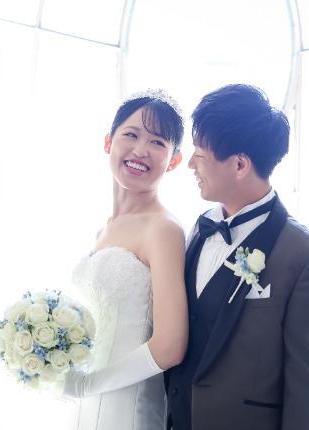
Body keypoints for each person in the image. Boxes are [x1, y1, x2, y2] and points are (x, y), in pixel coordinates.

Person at [165, 84, 309, 430]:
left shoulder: (308, 258)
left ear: (240, 164)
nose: (191, 165)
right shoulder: (199, 228)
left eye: (200, 154)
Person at [62, 89, 189, 430]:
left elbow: (171, 345)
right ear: (108, 142)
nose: (141, 150)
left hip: (127, 409)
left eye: (157, 142)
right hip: (82, 405)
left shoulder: (163, 230)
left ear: (174, 160)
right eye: (131, 135)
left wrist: (89, 384)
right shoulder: (103, 230)